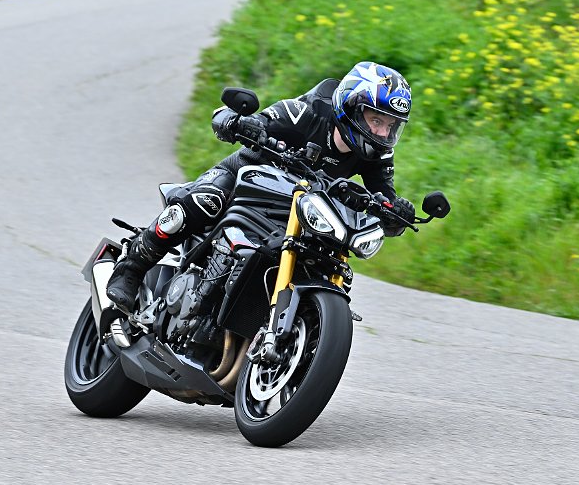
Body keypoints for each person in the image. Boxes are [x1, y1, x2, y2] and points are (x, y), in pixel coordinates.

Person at [106, 61, 417, 312]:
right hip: (247, 177)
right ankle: (131, 267)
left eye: (390, 125)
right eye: (377, 120)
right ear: (351, 107)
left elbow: (384, 200)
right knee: (205, 201)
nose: (382, 131)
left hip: (298, 208)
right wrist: (237, 122)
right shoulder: (307, 112)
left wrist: (395, 212)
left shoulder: (378, 154)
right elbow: (245, 119)